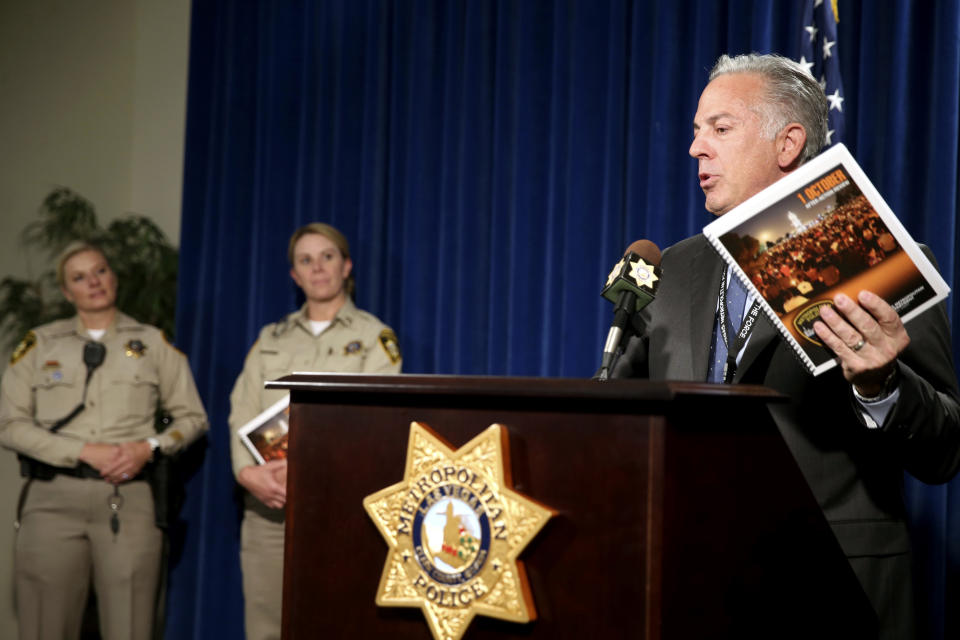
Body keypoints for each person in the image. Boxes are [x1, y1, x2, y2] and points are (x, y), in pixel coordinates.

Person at [610, 53, 960, 639]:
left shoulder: (874, 261)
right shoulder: (667, 268)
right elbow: (619, 414)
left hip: (833, 594)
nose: (696, 147)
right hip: (690, 583)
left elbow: (945, 448)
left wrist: (882, 387)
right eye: (696, 131)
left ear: (788, 142)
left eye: (720, 129)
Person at [0, 241, 208, 640]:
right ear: (66, 292)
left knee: (130, 626)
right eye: (79, 277)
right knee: (44, 625)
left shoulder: (152, 343)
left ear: (113, 277)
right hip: (51, 500)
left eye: (100, 271)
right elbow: (10, 425)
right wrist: (80, 451)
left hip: (128, 498)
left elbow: (192, 418)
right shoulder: (40, 345)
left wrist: (148, 447)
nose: (93, 282)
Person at [229, 222, 402, 640]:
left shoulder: (374, 338)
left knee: (335, 624)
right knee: (267, 626)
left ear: (346, 266)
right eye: (305, 260)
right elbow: (241, 411)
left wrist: (310, 475)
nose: (318, 268)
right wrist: (245, 473)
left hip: (338, 509)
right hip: (267, 505)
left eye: (327, 257)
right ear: (294, 275)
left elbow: (378, 424)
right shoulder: (269, 338)